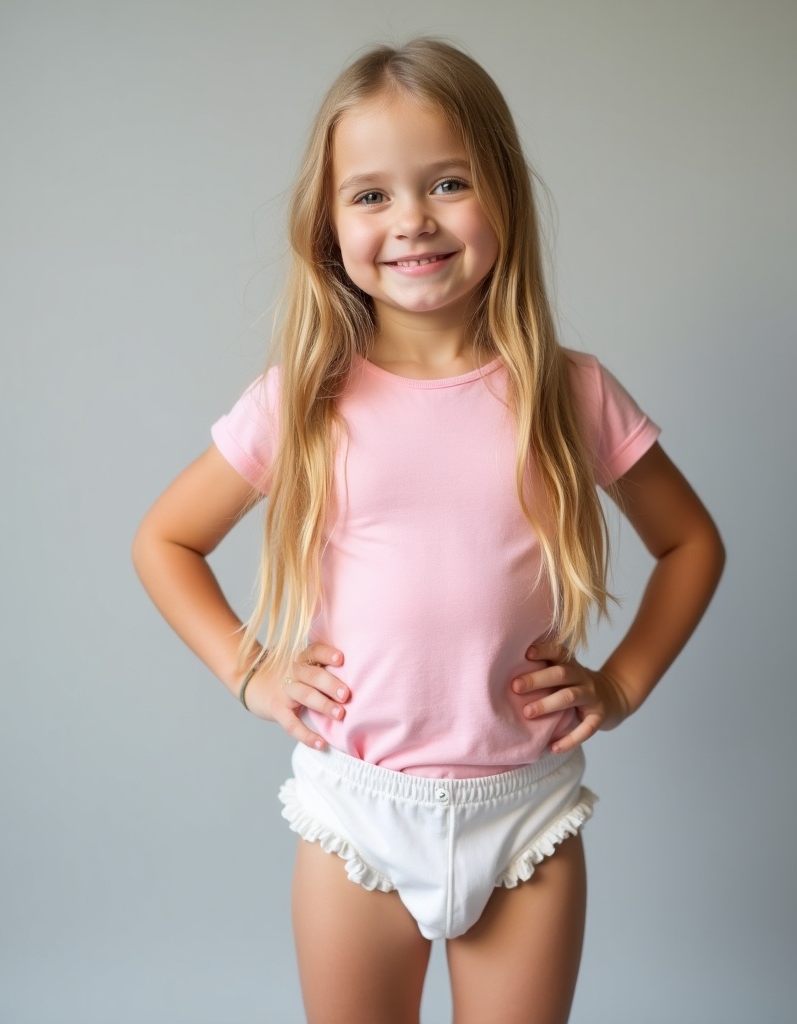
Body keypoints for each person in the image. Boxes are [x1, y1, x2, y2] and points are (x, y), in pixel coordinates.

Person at [132, 37, 724, 1024]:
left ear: (501, 193)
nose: (412, 220)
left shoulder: (567, 391)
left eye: (447, 182)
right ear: (326, 225)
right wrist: (252, 668)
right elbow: (166, 540)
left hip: (524, 810)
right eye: (370, 195)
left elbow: (690, 542)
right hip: (355, 812)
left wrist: (621, 682)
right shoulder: (303, 400)